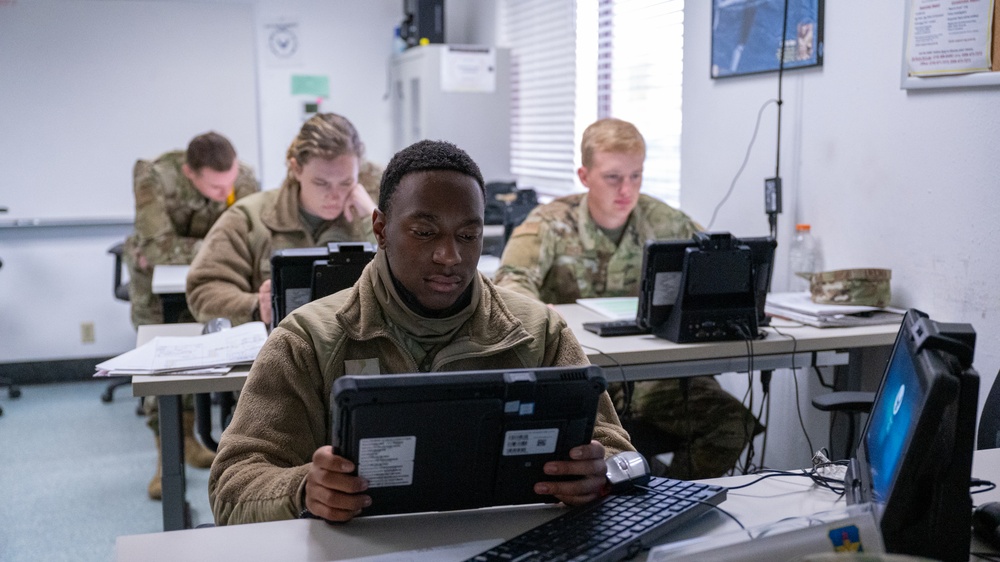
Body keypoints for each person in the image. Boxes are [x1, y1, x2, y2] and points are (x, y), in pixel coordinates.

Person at [208, 140, 634, 525]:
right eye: (425, 232)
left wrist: (600, 474)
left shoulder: (538, 332)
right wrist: (304, 488)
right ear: (380, 229)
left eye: (468, 235)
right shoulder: (309, 339)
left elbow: (620, 455)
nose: (450, 256)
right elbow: (233, 486)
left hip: (509, 546)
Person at [494, 118, 762, 479]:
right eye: (613, 177)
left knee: (732, 424)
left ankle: (673, 500)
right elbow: (510, 285)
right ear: (585, 175)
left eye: (636, 176)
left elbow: (718, 264)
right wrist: (540, 309)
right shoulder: (549, 222)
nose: (627, 189)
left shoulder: (662, 220)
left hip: (656, 375)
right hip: (582, 375)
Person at [123, 131, 259, 500]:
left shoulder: (243, 177)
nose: (224, 192)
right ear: (189, 173)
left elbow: (252, 240)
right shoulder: (153, 176)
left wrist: (212, 249)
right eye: (215, 187)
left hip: (216, 280)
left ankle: (194, 440)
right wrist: (222, 245)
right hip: (155, 286)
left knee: (216, 357)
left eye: (228, 184)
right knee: (163, 362)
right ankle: (167, 461)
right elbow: (157, 249)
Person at [186, 112, 380, 326]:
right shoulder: (249, 218)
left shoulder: (373, 216)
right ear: (296, 168)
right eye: (321, 183)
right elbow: (204, 289)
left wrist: (373, 221)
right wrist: (256, 307)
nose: (334, 195)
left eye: (346, 182)